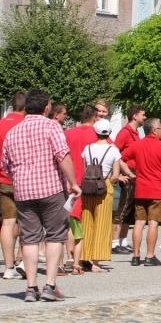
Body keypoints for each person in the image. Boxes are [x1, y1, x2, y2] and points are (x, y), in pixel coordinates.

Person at [2, 89, 81, 302]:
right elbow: (62, 155)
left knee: (29, 238)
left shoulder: (13, 132)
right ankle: (50, 285)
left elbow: (6, 166)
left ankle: (30, 287)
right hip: (50, 189)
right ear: (46, 107)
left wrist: (20, 180)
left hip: (23, 192)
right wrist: (73, 183)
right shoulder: (51, 126)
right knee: (55, 235)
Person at [122, 118, 161, 267]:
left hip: (140, 189)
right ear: (153, 130)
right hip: (156, 190)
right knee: (153, 223)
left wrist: (129, 173)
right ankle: (150, 256)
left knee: (139, 222)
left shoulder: (137, 145)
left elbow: (120, 158)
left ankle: (135, 255)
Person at [80, 119, 121, 273]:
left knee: (87, 221)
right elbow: (115, 175)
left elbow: (85, 168)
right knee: (102, 223)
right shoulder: (113, 150)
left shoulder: (87, 148)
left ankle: (84, 257)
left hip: (88, 186)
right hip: (104, 185)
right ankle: (96, 261)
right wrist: (108, 181)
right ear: (109, 132)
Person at [63, 105, 99, 274]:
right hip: (92, 183)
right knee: (89, 221)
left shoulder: (68, 133)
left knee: (71, 220)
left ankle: (70, 257)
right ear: (94, 117)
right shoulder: (97, 134)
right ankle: (84, 257)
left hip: (70, 181)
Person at [112, 104, 146, 254]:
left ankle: (122, 240)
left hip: (135, 173)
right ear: (135, 116)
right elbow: (115, 153)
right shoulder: (125, 133)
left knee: (131, 209)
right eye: (142, 115)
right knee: (123, 207)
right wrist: (120, 173)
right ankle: (114, 242)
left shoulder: (136, 133)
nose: (144, 117)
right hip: (128, 173)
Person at [0, 92, 26, 280]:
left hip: (3, 179)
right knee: (29, 221)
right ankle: (22, 260)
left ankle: (9, 267)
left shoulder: (1, 124)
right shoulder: (24, 126)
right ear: (25, 107)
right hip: (22, 179)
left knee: (8, 222)